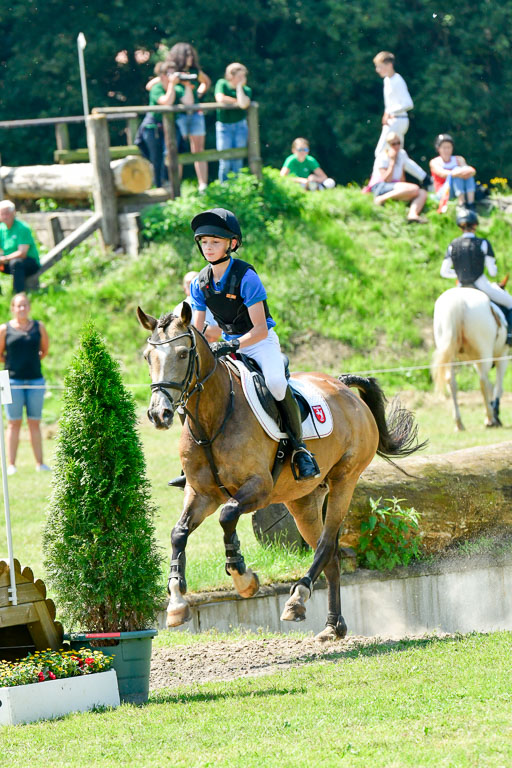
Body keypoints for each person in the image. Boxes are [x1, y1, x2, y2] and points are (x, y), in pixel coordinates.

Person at [190, 208, 320, 481]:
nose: (209, 247)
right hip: (227, 344)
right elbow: (199, 328)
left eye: (215, 242)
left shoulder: (247, 278)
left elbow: (260, 329)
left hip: (259, 343)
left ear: (232, 244)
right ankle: (194, 458)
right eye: (204, 242)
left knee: (274, 382)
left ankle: (300, 449)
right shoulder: (200, 283)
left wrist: (231, 345)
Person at [441, 208, 512, 344]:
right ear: (475, 225)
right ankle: (510, 335)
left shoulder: (453, 245)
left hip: (461, 286)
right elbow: (492, 272)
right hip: (481, 285)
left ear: (460, 226)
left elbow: (443, 272)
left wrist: (459, 273)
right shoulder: (483, 243)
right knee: (511, 303)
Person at [0, 293, 50, 474]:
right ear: (13, 308)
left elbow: (44, 350)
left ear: (29, 307)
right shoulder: (4, 329)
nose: (22, 308)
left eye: (25, 305)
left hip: (35, 380)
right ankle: (11, 465)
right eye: (18, 305)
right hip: (11, 380)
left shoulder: (39, 327)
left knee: (34, 422)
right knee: (13, 423)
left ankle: (40, 464)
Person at [168, 43, 211, 193]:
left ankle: (203, 185)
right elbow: (156, 83)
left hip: (195, 114)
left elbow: (206, 82)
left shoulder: (194, 71)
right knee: (177, 150)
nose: (190, 58)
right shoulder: (172, 71)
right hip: (179, 114)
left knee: (198, 149)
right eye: (187, 55)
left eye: (191, 55)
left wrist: (198, 94)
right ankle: (176, 185)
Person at [368, 133, 427, 222]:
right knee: (414, 188)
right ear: (388, 145)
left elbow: (402, 178)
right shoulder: (382, 157)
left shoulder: (402, 154)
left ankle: (412, 215)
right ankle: (380, 199)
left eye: (398, 143)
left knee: (422, 192)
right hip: (380, 185)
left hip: (394, 185)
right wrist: (392, 161)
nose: (397, 146)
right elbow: (386, 179)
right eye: (393, 144)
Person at [214, 63, 252, 183]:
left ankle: (238, 186)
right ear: (231, 75)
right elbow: (220, 98)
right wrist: (237, 101)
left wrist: (239, 88)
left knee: (238, 159)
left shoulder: (246, 90)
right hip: (224, 127)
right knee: (224, 160)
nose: (242, 79)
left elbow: (244, 104)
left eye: (243, 77)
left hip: (240, 126)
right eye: (239, 77)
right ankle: (224, 186)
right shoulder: (222, 83)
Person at [373, 51, 414, 157]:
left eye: (380, 67)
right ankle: (423, 175)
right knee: (398, 155)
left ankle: (378, 174)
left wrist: (389, 112)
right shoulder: (387, 80)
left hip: (398, 120)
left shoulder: (397, 80)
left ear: (389, 65)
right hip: (395, 120)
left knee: (380, 152)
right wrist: (387, 112)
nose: (377, 70)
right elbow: (389, 104)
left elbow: (408, 104)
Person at [0, 201, 40, 292]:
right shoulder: (1, 229)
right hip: (8, 262)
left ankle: (18, 293)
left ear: (14, 213)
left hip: (29, 263)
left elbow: (22, 253)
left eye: (7, 214)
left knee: (16, 263)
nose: (5, 217)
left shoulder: (22, 228)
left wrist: (4, 258)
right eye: (2, 214)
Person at [430, 134, 476, 211]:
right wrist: (457, 172)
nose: (447, 150)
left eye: (449, 147)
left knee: (466, 174)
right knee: (456, 173)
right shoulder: (435, 162)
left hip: (458, 187)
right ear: (439, 149)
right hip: (444, 192)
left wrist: (464, 172)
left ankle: (471, 203)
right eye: (444, 148)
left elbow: (472, 170)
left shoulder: (459, 159)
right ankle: (462, 204)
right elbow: (443, 174)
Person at [173, 271, 220, 342]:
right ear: (184, 287)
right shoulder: (179, 309)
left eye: (195, 282)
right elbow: (178, 335)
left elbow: (220, 332)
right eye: (189, 284)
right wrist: (207, 332)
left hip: (213, 350)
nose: (192, 286)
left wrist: (192, 328)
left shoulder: (213, 306)